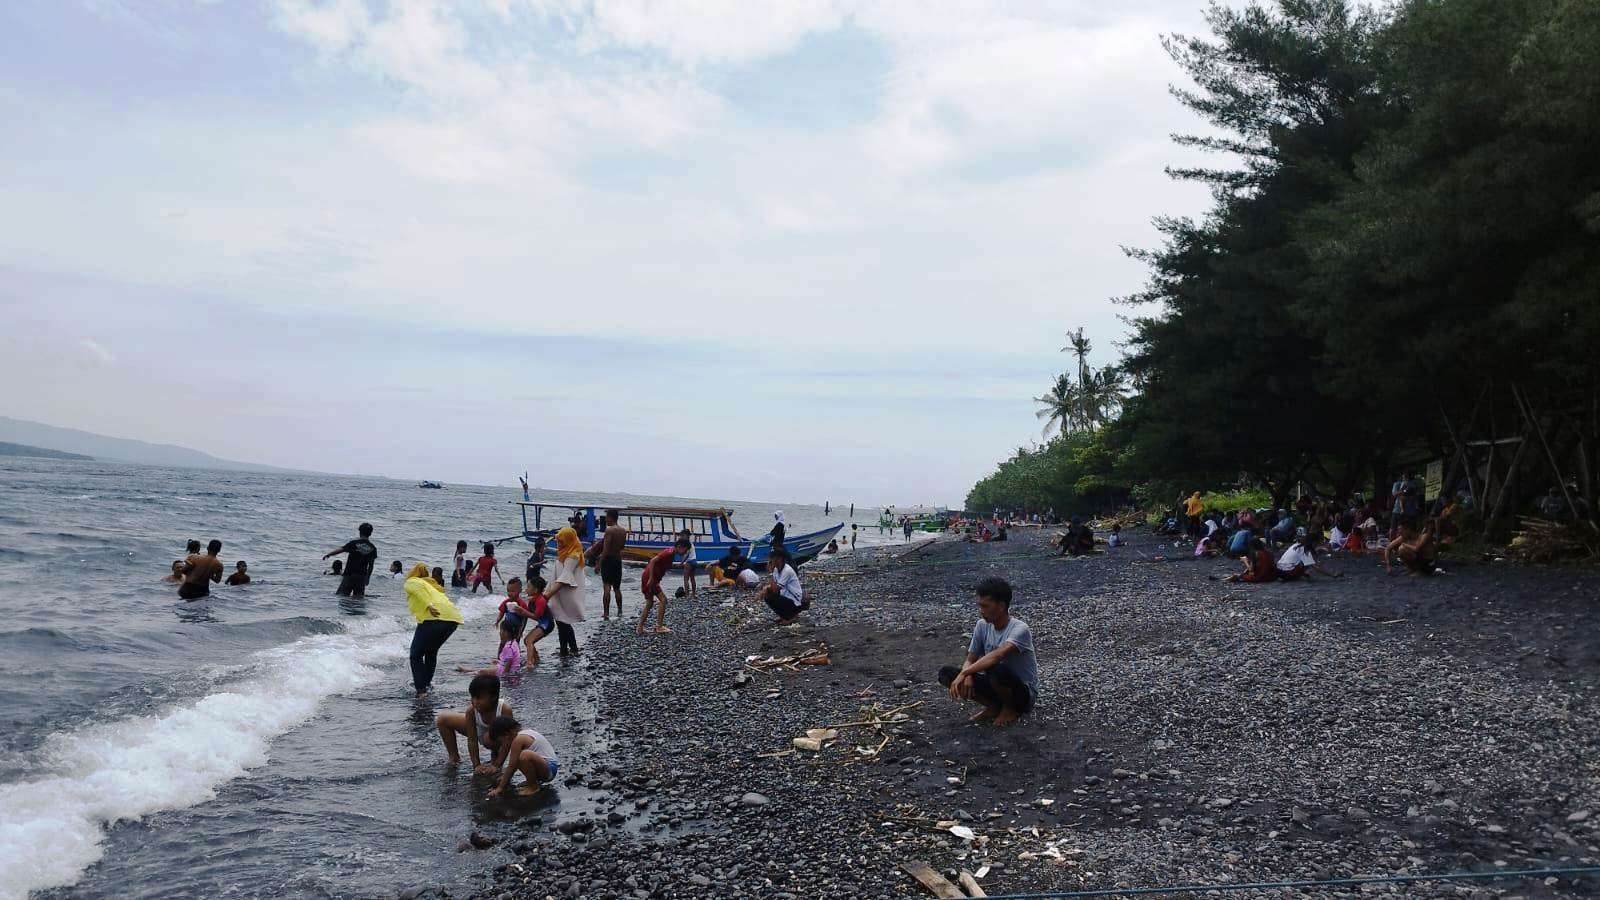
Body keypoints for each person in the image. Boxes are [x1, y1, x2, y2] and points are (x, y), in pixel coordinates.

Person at [937, 577, 1036, 727]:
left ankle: (1010, 709)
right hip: (996, 685)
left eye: (985, 606)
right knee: (946, 674)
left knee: (995, 668)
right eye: (980, 606)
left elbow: (997, 655)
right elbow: (970, 658)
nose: (981, 611)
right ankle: (994, 706)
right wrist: (967, 673)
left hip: (1022, 693)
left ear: (1001, 606)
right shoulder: (982, 626)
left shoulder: (1020, 629)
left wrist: (965, 673)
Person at [405, 563, 464, 696]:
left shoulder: (412, 581)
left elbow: (418, 592)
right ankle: (426, 684)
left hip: (434, 617)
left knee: (416, 654)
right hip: (452, 619)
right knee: (431, 651)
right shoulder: (433, 585)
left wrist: (429, 605)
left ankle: (421, 691)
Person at [435, 673, 512, 772]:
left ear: (493, 697)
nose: (474, 702)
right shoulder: (471, 710)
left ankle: (495, 757)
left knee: (490, 738)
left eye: (479, 698)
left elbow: (507, 741)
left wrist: (497, 764)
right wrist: (476, 765)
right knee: (443, 719)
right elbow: (472, 740)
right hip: (479, 731)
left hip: (494, 737)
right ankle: (454, 757)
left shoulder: (504, 710)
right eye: (473, 697)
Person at [485, 715, 559, 798]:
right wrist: (505, 778)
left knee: (524, 756)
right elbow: (515, 764)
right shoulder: (524, 732)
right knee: (520, 758)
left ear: (507, 735)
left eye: (501, 742)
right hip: (546, 767)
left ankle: (533, 787)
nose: (503, 745)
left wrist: (500, 788)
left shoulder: (518, 739)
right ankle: (532, 782)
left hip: (549, 770)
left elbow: (512, 766)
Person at [546, 527, 587, 656]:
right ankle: (566, 649)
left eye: (561, 542)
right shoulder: (564, 552)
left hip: (565, 592)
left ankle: (570, 649)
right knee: (560, 620)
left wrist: (548, 594)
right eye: (558, 541)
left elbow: (565, 577)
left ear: (569, 541)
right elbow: (556, 575)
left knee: (563, 621)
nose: (558, 544)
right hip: (557, 591)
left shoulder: (573, 555)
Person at [637, 539, 686, 635]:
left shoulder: (671, 553)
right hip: (650, 578)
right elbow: (652, 561)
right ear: (679, 547)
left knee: (650, 603)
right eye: (685, 550)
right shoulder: (668, 553)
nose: (685, 552)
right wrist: (651, 579)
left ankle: (640, 627)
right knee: (663, 600)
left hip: (651, 578)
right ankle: (659, 626)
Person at [323, 523, 377, 598]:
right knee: (358, 598)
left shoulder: (354, 543)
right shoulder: (373, 548)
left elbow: (340, 550)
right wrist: (367, 578)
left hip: (349, 575)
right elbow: (371, 565)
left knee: (341, 596)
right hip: (361, 577)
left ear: (360, 532)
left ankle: (346, 609)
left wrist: (329, 554)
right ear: (370, 533)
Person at [759, 547, 808, 623]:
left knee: (770, 596)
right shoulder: (776, 569)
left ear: (779, 558)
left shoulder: (786, 570)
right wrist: (765, 589)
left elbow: (775, 589)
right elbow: (773, 585)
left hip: (796, 601)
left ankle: (793, 616)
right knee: (767, 596)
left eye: (772, 558)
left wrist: (770, 574)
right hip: (786, 597)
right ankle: (784, 616)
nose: (770, 560)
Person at [457, 621, 523, 677]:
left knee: (482, 672)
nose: (500, 633)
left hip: (505, 670)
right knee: (494, 662)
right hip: (507, 667)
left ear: (506, 633)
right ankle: (471, 670)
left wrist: (504, 674)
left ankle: (467, 673)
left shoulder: (509, 647)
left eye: (501, 631)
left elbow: (509, 662)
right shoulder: (513, 643)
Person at [596, 510, 627, 619]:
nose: (605, 519)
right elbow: (622, 547)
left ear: (611, 517)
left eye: (606, 517)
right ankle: (620, 611)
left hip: (608, 560)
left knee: (607, 587)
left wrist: (599, 563)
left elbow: (606, 549)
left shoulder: (609, 530)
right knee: (617, 588)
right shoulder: (623, 531)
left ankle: (606, 613)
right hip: (618, 559)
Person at [518, 575, 553, 666]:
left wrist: (523, 611)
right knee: (527, 641)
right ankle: (536, 659)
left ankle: (529, 662)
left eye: (529, 587)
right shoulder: (533, 599)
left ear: (536, 590)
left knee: (529, 640)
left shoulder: (541, 601)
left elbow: (537, 617)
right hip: (543, 623)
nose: (526, 589)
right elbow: (527, 614)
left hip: (547, 624)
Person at [677, 527, 699, 598]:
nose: (682, 537)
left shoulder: (687, 544)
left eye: (683, 536)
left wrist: (681, 563)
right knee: (692, 578)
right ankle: (693, 593)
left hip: (689, 562)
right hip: (694, 561)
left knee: (686, 579)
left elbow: (686, 555)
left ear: (686, 536)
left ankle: (687, 594)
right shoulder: (691, 544)